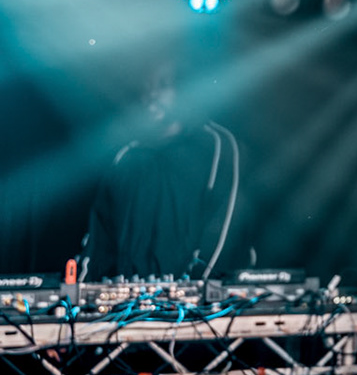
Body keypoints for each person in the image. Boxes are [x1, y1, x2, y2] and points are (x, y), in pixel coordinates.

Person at [82, 58, 247, 281]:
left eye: (162, 86)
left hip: (196, 297)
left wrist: (199, 289)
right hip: (129, 298)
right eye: (147, 87)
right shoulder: (127, 155)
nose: (151, 95)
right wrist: (81, 291)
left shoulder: (215, 144)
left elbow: (225, 228)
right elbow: (100, 238)